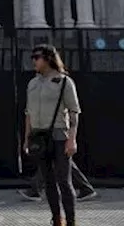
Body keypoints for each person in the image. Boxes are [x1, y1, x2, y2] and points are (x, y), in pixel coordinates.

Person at [23, 44, 82, 226]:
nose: (34, 60)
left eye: (37, 56)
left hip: (59, 135)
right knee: (48, 182)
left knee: (64, 181)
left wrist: (72, 139)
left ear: (48, 58)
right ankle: (57, 219)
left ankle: (71, 221)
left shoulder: (64, 82)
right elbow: (28, 114)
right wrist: (26, 139)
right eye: (32, 56)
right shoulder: (32, 83)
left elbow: (74, 112)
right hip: (38, 136)